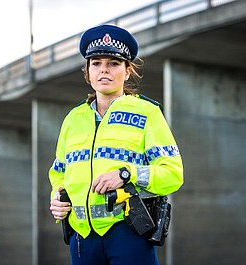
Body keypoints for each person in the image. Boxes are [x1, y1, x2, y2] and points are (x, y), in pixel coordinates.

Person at [49, 24, 184, 265]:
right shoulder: (73, 119)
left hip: (128, 233)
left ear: (128, 70)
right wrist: (57, 199)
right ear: (87, 72)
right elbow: (59, 174)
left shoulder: (147, 113)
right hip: (82, 238)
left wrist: (126, 174)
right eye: (96, 63)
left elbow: (172, 174)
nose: (104, 71)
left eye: (113, 63)